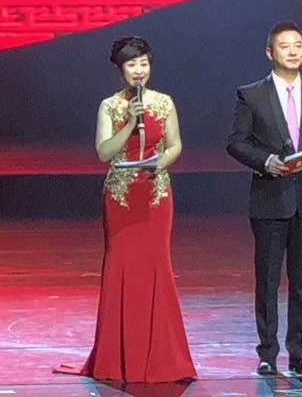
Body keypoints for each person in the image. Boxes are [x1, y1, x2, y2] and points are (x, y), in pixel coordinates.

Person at [62, 36, 196, 383]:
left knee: (156, 267)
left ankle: (163, 358)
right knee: (121, 268)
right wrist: (128, 125)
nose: (139, 70)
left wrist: (161, 163)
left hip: (154, 194)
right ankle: (117, 360)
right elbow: (104, 153)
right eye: (132, 65)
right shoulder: (109, 106)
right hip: (122, 196)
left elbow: (175, 144)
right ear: (121, 70)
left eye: (144, 64)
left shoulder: (164, 102)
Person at [225, 21, 302, 376]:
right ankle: (267, 354)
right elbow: (236, 142)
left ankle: (301, 353)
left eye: (298, 45)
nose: (293, 51)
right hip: (269, 200)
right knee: (268, 281)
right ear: (269, 52)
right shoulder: (251, 94)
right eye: (285, 46)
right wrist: (265, 161)